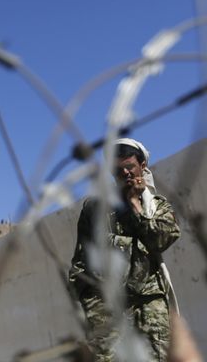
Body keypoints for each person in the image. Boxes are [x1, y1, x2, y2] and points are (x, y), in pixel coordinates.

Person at [69, 138, 180, 361]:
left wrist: (135, 205)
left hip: (150, 309)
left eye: (130, 167)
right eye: (119, 170)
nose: (126, 173)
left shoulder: (157, 206)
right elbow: (81, 268)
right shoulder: (95, 209)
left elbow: (161, 240)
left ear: (142, 166)